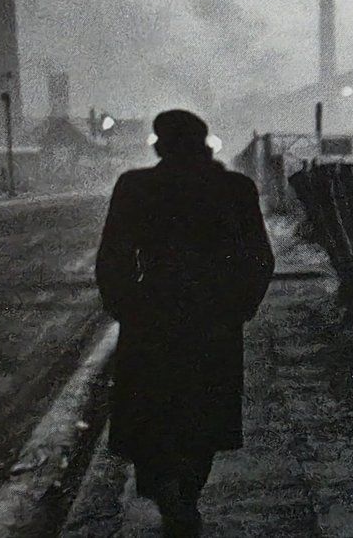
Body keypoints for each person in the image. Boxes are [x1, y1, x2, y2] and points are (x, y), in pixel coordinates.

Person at [95, 109, 275, 536]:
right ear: (204, 143)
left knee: (151, 412)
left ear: (160, 145)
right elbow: (260, 258)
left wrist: (125, 306)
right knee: (203, 414)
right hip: (212, 319)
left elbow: (113, 257)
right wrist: (239, 306)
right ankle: (186, 495)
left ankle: (168, 494)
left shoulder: (136, 187)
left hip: (152, 316)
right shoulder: (234, 188)